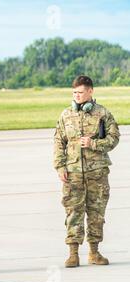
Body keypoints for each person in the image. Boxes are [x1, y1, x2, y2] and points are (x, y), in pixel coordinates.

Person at [54, 75, 120, 268]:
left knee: (96, 213)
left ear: (90, 91)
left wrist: (94, 143)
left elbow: (114, 139)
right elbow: (59, 142)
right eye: (74, 92)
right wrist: (60, 166)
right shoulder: (66, 115)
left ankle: (94, 252)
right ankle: (73, 254)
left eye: (80, 92)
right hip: (72, 173)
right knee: (73, 212)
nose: (77, 96)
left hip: (97, 173)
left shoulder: (103, 114)